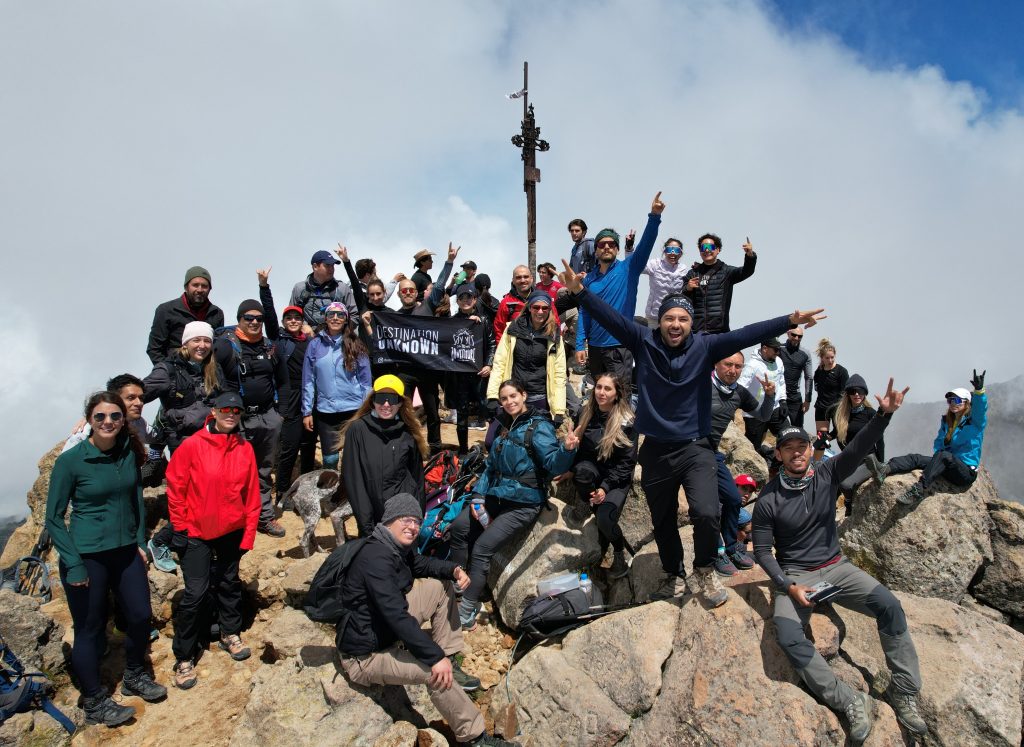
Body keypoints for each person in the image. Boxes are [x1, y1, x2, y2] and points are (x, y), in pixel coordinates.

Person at [561, 258, 825, 606]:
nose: (675, 323)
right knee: (663, 518)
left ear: (690, 323)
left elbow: (748, 333)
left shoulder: (705, 346)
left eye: (683, 318)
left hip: (696, 448)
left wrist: (789, 321)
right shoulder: (644, 340)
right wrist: (579, 292)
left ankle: (703, 569)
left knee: (705, 512)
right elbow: (610, 317)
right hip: (655, 449)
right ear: (662, 320)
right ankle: (673, 572)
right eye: (670, 317)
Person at [753, 380, 928, 742]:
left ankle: (904, 690)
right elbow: (762, 552)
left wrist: (883, 416)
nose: (797, 453)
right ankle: (849, 700)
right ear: (780, 455)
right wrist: (788, 585)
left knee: (889, 605)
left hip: (836, 567)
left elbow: (860, 447)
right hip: (798, 575)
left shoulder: (826, 473)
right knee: (788, 634)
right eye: (789, 448)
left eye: (802, 446)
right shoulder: (768, 500)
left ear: (809, 448)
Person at [337, 494, 517, 747]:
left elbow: (419, 563)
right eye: (406, 520)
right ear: (389, 520)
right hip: (365, 655)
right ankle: (475, 739)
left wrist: (453, 570)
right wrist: (434, 657)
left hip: (383, 627)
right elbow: (397, 616)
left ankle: (451, 659)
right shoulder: (375, 559)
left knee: (440, 586)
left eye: (417, 522)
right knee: (436, 674)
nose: (412, 527)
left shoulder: (392, 546)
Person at [46, 391, 166, 726]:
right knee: (90, 628)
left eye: (114, 416)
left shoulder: (127, 453)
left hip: (125, 550)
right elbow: (54, 518)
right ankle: (95, 700)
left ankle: (134, 675)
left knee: (141, 616)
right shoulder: (71, 462)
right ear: (89, 421)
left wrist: (141, 541)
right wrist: (73, 562)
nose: (108, 422)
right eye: (100, 417)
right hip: (87, 556)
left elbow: (135, 499)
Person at [450, 380, 578, 631]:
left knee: (483, 548)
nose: (509, 402)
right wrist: (478, 496)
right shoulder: (503, 426)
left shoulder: (538, 427)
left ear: (524, 395)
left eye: (513, 396)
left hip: (524, 503)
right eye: (504, 399)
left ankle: (467, 610)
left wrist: (567, 450)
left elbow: (553, 464)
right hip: (497, 496)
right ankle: (458, 583)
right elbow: (490, 467)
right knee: (458, 527)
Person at [165, 391, 261, 690]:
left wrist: (248, 534)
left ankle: (229, 633)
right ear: (214, 412)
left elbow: (252, 495)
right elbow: (175, 486)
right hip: (196, 532)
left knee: (229, 582)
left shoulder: (244, 448)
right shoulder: (192, 445)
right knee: (195, 593)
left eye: (236, 410)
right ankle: (184, 655)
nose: (231, 414)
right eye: (226, 409)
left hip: (231, 530)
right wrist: (179, 528)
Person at [142, 321, 224, 573]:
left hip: (209, 442)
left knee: (206, 494)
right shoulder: (167, 370)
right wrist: (103, 409)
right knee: (191, 497)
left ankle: (198, 540)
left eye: (207, 341)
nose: (202, 345)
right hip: (183, 444)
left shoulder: (211, 369)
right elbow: (140, 391)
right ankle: (160, 542)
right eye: (196, 340)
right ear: (185, 343)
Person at [213, 300, 287, 537]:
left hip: (268, 416)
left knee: (264, 469)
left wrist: (280, 414)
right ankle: (236, 519)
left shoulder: (270, 348)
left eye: (259, 319)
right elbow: (215, 380)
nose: (254, 322)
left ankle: (264, 517)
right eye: (248, 318)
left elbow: (284, 381)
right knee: (235, 471)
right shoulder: (226, 347)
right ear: (239, 319)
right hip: (237, 419)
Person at [576, 192, 664, 384]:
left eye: (611, 244)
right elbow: (585, 312)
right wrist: (579, 344)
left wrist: (654, 217)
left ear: (617, 249)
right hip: (595, 347)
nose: (606, 247)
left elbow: (645, 245)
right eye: (602, 244)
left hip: (620, 346)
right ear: (596, 249)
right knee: (598, 398)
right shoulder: (589, 279)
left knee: (620, 400)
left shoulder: (629, 268)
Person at [562, 373, 638, 578]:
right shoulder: (585, 413)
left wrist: (605, 488)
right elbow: (584, 452)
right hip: (594, 467)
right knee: (581, 473)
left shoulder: (627, 422)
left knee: (605, 518)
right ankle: (587, 502)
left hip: (617, 476)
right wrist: (570, 463)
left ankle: (619, 553)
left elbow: (626, 463)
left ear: (616, 394)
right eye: (599, 387)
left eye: (607, 389)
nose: (601, 392)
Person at [708, 352, 775, 577]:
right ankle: (716, 553)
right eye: (728, 364)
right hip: (689, 451)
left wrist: (769, 396)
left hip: (711, 453)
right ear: (716, 364)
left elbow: (763, 415)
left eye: (738, 366)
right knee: (707, 509)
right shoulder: (701, 383)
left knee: (733, 498)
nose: (733, 370)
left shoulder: (739, 392)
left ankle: (730, 547)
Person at [256, 268, 317, 507]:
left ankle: (307, 491)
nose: (293, 321)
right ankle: (282, 492)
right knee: (290, 447)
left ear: (302, 322)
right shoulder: (279, 341)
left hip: (311, 397)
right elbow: (269, 317)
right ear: (284, 322)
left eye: (297, 318)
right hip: (289, 397)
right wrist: (264, 287)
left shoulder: (311, 342)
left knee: (310, 446)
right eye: (289, 318)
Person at [340, 375, 428, 536]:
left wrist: (416, 514)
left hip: (403, 515)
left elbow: (417, 479)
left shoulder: (407, 433)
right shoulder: (357, 430)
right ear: (373, 400)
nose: (386, 404)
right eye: (381, 398)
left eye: (393, 399)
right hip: (371, 518)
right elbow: (354, 479)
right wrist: (365, 523)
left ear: (401, 403)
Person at [895, 370, 988, 506]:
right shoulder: (947, 422)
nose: (952, 403)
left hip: (965, 473)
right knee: (916, 458)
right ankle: (886, 468)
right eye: (950, 400)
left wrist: (979, 391)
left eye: (957, 400)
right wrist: (937, 460)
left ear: (967, 403)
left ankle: (919, 490)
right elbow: (939, 444)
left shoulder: (974, 423)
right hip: (949, 465)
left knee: (943, 456)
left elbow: (980, 410)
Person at [301, 302, 372, 470]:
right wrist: (307, 411)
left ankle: (351, 492)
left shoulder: (356, 344)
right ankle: (332, 493)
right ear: (325, 318)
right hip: (326, 412)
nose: (335, 318)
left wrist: (366, 409)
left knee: (353, 457)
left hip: (353, 409)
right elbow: (308, 380)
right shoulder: (315, 345)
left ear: (346, 319)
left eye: (340, 315)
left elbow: (366, 382)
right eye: (331, 314)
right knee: (330, 459)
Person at [487, 290, 566, 422]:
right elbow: (500, 362)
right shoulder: (513, 329)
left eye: (545, 308)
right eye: (536, 307)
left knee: (533, 440)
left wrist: (559, 410)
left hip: (539, 397)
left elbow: (559, 373)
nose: (540, 311)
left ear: (549, 310)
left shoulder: (554, 335)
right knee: (491, 442)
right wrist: (493, 395)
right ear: (529, 307)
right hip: (513, 395)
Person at [443, 283, 495, 454]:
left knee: (487, 408)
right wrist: (465, 323)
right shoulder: (451, 322)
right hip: (459, 376)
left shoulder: (485, 320)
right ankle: (463, 451)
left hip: (479, 374)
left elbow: (492, 345)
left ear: (475, 299)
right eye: (461, 298)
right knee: (462, 414)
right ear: (457, 301)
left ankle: (494, 446)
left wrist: (489, 364)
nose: (465, 301)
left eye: (469, 298)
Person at [147, 266, 225, 365]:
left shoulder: (216, 313)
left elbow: (216, 348)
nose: (200, 289)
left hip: (205, 372)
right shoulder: (166, 310)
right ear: (186, 287)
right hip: (174, 370)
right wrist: (167, 373)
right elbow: (154, 349)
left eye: (204, 286)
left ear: (210, 289)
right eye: (195, 285)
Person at [680, 234, 757, 333]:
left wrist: (750, 256)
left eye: (710, 247)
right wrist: (688, 288)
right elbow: (683, 297)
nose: (707, 250)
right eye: (704, 247)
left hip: (720, 331)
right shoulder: (693, 273)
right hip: (696, 332)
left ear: (718, 250)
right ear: (700, 251)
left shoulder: (727, 271)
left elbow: (747, 271)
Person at [738, 338, 791, 449]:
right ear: (765, 349)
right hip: (755, 411)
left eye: (779, 349)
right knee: (753, 447)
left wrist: (783, 400)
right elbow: (740, 387)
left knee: (788, 436)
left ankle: (777, 465)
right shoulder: (752, 365)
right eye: (775, 350)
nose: (778, 353)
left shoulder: (779, 361)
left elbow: (781, 381)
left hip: (774, 408)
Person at [289, 250, 358, 328]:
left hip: (336, 338)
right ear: (315, 267)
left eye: (332, 265)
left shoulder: (342, 288)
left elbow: (354, 316)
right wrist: (303, 327)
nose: (331, 269)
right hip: (307, 338)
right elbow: (291, 316)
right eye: (327, 265)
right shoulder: (300, 288)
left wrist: (339, 331)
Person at [641, 238, 688, 328]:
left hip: (673, 318)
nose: (673, 253)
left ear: (681, 253)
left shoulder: (684, 270)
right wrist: (629, 249)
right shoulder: (655, 264)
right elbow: (636, 266)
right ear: (664, 251)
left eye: (676, 250)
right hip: (653, 318)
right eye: (669, 249)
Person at [779, 326, 813, 429]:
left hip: (794, 397)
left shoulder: (805, 354)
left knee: (798, 428)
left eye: (800, 336)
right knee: (776, 426)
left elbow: (809, 377)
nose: (796, 338)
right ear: (788, 334)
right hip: (778, 395)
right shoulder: (779, 349)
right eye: (794, 335)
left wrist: (808, 400)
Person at [812, 338, 849, 432]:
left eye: (832, 357)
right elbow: (817, 388)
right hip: (821, 408)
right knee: (822, 439)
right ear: (822, 358)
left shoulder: (841, 371)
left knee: (841, 437)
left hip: (837, 408)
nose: (830, 360)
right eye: (827, 358)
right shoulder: (818, 371)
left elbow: (845, 392)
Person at [493, 265, 536, 344]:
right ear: (513, 280)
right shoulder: (506, 303)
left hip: (539, 351)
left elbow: (554, 325)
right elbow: (499, 330)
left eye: (526, 277)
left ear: (531, 278)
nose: (522, 280)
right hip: (514, 352)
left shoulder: (542, 300)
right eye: (518, 277)